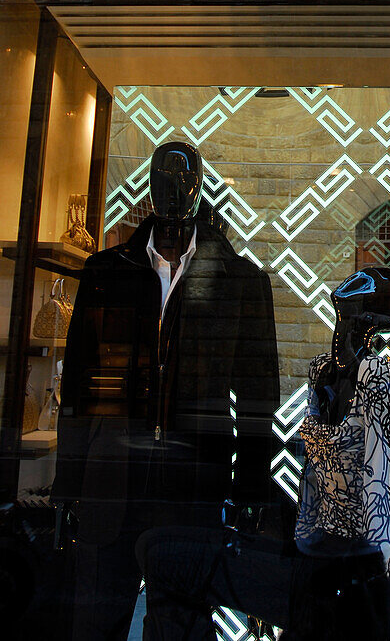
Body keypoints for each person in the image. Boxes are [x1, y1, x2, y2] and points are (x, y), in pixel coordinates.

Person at [53, 140, 280, 640]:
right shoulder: (106, 274)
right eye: (162, 178)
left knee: (179, 625)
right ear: (147, 189)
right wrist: (68, 482)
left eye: (186, 179)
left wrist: (250, 484)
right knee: (95, 621)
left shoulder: (239, 282)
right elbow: (79, 388)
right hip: (112, 482)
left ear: (201, 190)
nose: (174, 189)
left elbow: (260, 396)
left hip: (193, 485)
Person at [136, 267, 390, 641]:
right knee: (154, 547)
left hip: (338, 569)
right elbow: (316, 475)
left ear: (370, 320)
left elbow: (378, 475)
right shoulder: (323, 373)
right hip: (308, 547)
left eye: (357, 312)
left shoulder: (377, 378)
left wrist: (379, 561)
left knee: (165, 560)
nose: (345, 316)